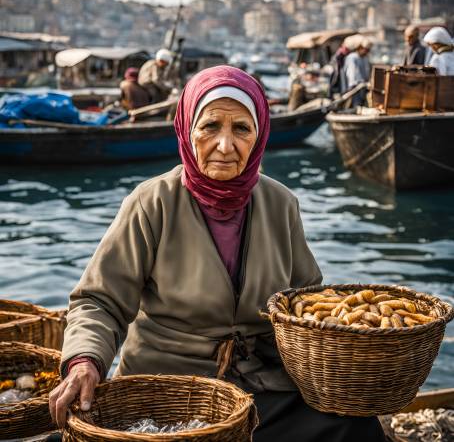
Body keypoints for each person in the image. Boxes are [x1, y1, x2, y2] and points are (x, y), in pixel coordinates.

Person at [49, 66, 386, 442]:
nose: (225, 146)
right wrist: (85, 361)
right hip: (167, 391)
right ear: (187, 128)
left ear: (259, 136)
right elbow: (99, 300)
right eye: (210, 127)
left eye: (241, 129)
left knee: (356, 427)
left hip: (259, 388)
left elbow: (306, 302)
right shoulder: (151, 203)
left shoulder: (280, 204)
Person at [342, 37, 373, 107]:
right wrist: (360, 83)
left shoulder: (365, 58)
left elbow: (367, 72)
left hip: (363, 87)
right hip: (354, 88)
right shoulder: (352, 58)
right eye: (366, 50)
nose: (367, 52)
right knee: (355, 105)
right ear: (360, 48)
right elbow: (352, 74)